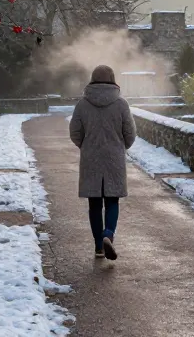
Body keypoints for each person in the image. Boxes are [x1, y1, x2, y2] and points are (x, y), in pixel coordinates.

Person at [69, 64, 136, 260]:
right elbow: (130, 133)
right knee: (113, 200)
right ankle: (108, 234)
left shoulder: (82, 104)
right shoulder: (121, 104)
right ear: (113, 80)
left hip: (91, 158)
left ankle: (99, 246)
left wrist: (86, 146)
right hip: (114, 157)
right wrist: (121, 146)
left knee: (95, 204)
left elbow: (75, 132)